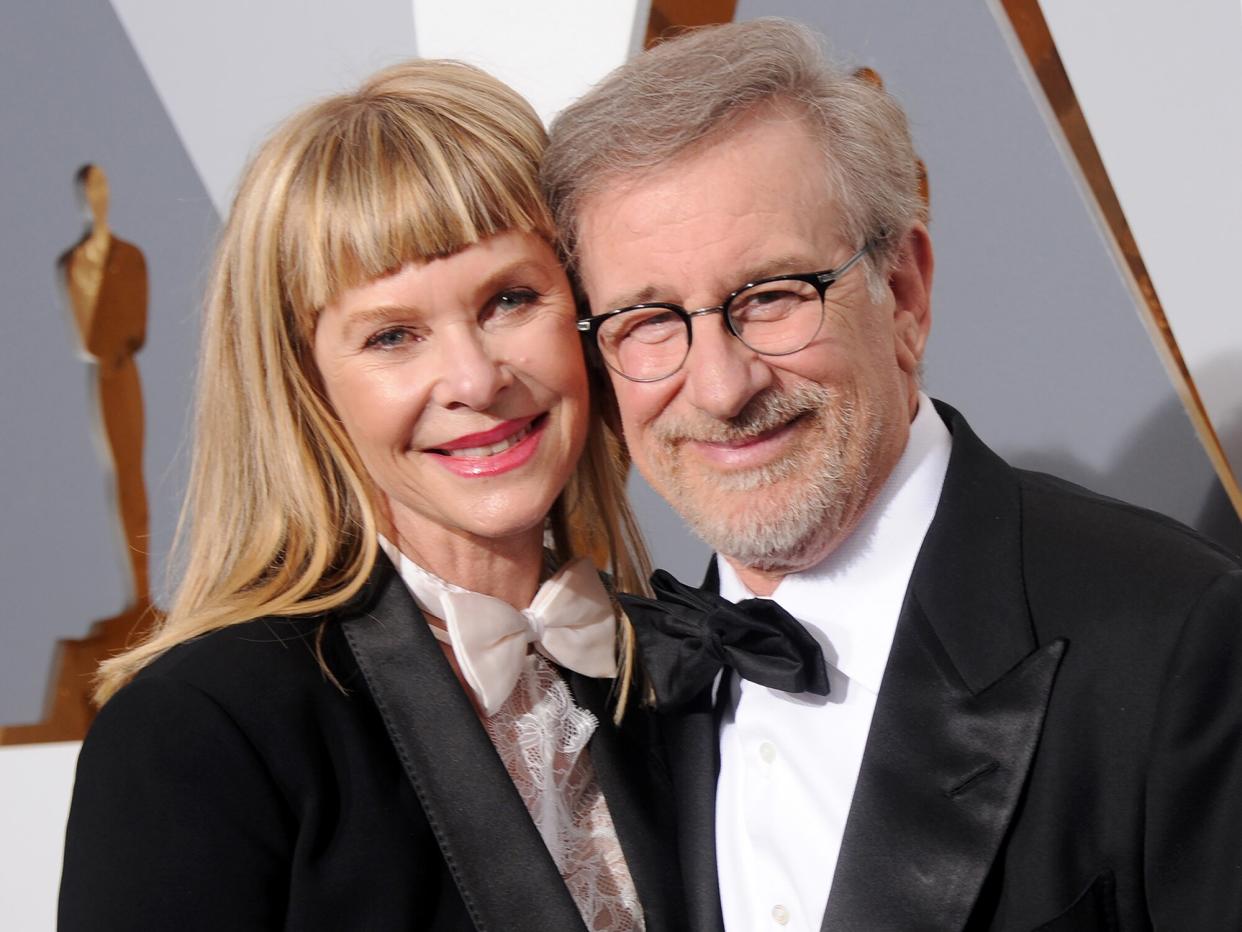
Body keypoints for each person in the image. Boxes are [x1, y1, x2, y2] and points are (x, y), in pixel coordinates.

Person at [544, 18, 1242, 932]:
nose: (719, 388)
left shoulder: (1179, 639)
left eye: (772, 296)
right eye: (649, 321)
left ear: (904, 295)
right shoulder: (612, 696)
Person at [59, 60, 685, 932]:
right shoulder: (198, 732)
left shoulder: (681, 679)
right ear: (307, 384)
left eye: (509, 299)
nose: (473, 378)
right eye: (393, 335)